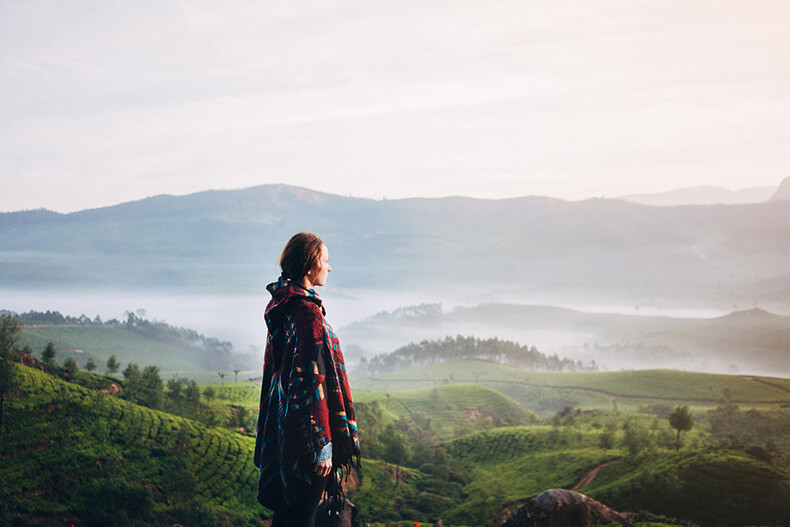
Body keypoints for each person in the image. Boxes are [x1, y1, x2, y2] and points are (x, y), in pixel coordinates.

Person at [254, 232, 360, 527]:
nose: (329, 267)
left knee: (286, 516)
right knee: (302, 518)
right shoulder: (307, 314)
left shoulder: (282, 306)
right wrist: (321, 447)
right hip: (305, 438)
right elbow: (311, 385)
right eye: (326, 260)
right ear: (311, 264)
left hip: (284, 428)